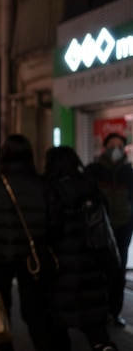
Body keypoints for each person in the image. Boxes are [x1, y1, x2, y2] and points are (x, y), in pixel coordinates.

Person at [0, 134, 53, 351]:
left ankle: (5, 349)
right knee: (35, 310)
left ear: (4, 156)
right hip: (32, 259)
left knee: (1, 307)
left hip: (2, 258)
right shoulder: (43, 184)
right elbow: (53, 222)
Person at [43, 146, 118, 351]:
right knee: (95, 326)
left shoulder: (48, 189)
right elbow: (104, 221)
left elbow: (47, 229)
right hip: (91, 265)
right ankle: (103, 346)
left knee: (58, 328)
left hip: (60, 271)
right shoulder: (90, 186)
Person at [86, 132, 133, 327]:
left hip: (123, 227)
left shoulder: (129, 173)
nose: (116, 149)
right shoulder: (93, 170)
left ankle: (115, 312)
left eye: (119, 145)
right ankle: (97, 311)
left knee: (119, 271)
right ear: (104, 148)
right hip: (99, 227)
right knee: (98, 270)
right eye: (112, 145)